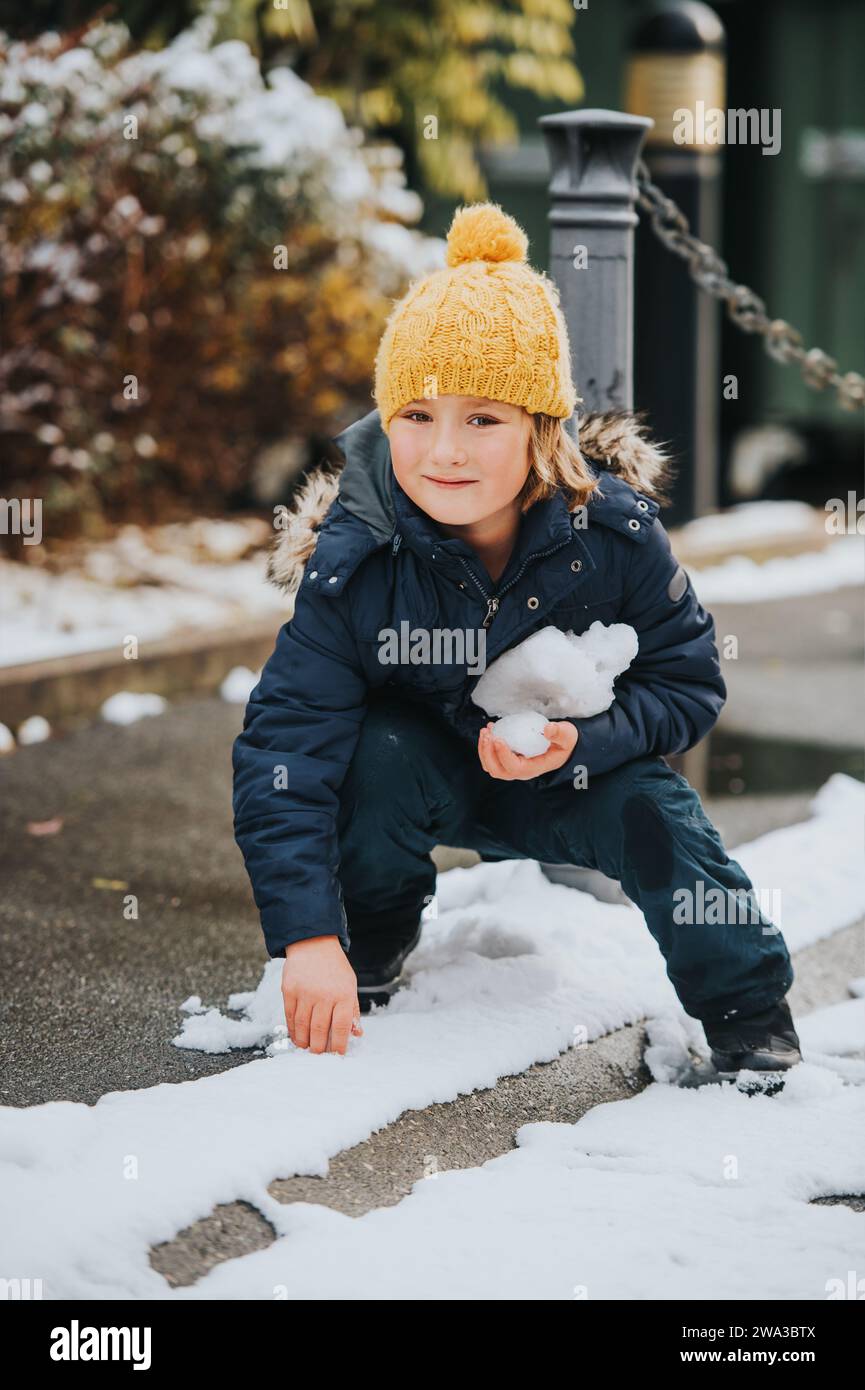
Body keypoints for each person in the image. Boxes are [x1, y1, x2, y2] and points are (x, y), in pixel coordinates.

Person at [232, 201, 801, 1076]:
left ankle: (747, 1017)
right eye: (415, 416)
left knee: (659, 815)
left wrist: (589, 739)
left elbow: (689, 688)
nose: (444, 450)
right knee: (367, 757)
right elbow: (285, 750)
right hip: (421, 774)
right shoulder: (357, 558)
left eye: (483, 419)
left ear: (539, 429)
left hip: (574, 777)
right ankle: (370, 943)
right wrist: (307, 937)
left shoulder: (612, 538)